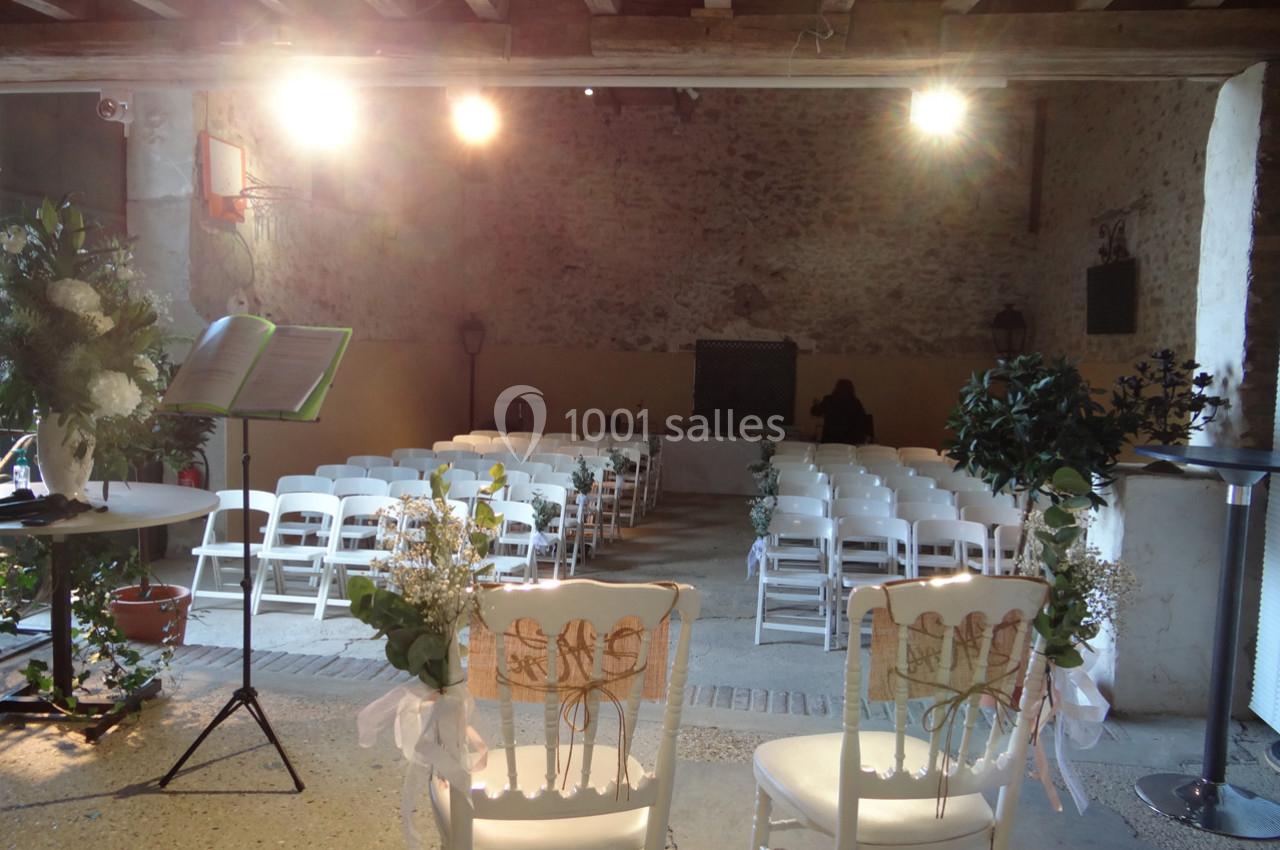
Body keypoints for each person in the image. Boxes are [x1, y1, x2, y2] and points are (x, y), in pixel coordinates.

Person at [810, 379, 869, 444]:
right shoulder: (856, 403)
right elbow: (862, 421)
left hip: (830, 441)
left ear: (836, 388)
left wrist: (816, 405)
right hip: (849, 442)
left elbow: (815, 412)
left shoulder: (829, 400)